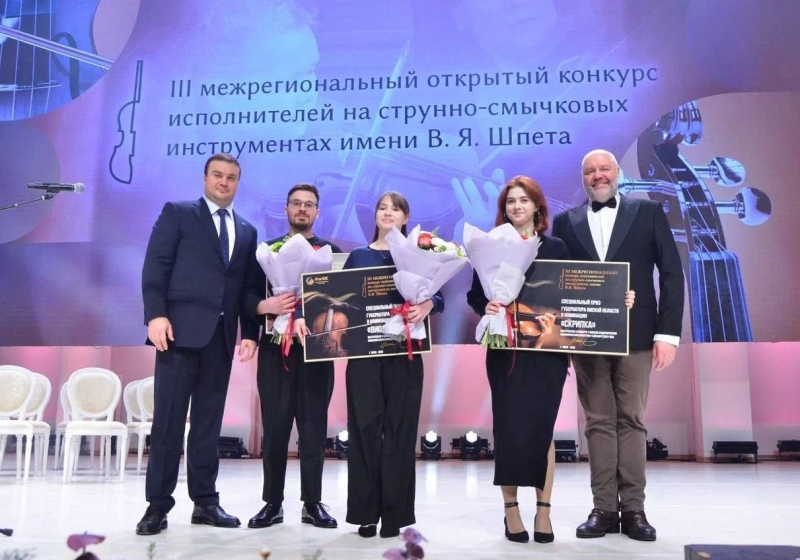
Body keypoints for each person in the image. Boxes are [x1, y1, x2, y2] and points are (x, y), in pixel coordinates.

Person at [552, 149, 684, 542]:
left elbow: (672, 273)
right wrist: (558, 335)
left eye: (604, 168)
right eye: (589, 171)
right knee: (597, 421)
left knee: (631, 420)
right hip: (587, 338)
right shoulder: (565, 222)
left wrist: (667, 334)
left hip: (638, 334)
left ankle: (635, 510)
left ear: (618, 172)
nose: (597, 175)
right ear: (583, 179)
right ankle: (604, 509)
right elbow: (558, 282)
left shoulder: (648, 212)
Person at [307, 191, 443, 539]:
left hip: (404, 354)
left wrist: (428, 305)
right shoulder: (359, 256)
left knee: (400, 432)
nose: (388, 213)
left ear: (406, 217)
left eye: (395, 208)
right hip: (364, 359)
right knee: (364, 431)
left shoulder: (420, 254)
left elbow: (438, 295)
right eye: (382, 208)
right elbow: (340, 296)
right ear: (376, 215)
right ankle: (365, 513)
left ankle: (395, 515)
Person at [136, 153, 260, 535]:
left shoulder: (247, 230)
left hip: (220, 340)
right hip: (177, 335)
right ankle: (157, 506)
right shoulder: (178, 213)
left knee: (208, 426)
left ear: (238, 182)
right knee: (169, 424)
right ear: (205, 178)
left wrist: (250, 333)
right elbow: (156, 266)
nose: (224, 182)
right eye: (217, 175)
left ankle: (205, 502)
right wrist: (156, 315)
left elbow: (248, 288)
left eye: (231, 177)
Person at [465, 176, 570, 545]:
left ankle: (544, 510)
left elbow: (574, 292)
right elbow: (474, 294)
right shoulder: (490, 245)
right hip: (505, 350)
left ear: (537, 206)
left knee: (543, 429)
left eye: (524, 200)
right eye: (510, 201)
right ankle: (511, 510)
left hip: (547, 352)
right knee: (508, 429)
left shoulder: (556, 247)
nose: (517, 206)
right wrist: (488, 305)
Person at [243, 183, 343, 530]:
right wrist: (264, 305)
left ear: (317, 212)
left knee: (314, 430)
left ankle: (312, 503)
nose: (302, 209)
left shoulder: (331, 252)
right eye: (296, 203)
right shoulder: (266, 251)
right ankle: (272, 503)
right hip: (275, 352)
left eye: (309, 205)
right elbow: (247, 296)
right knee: (274, 429)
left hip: (317, 353)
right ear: (286, 209)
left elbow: (343, 300)